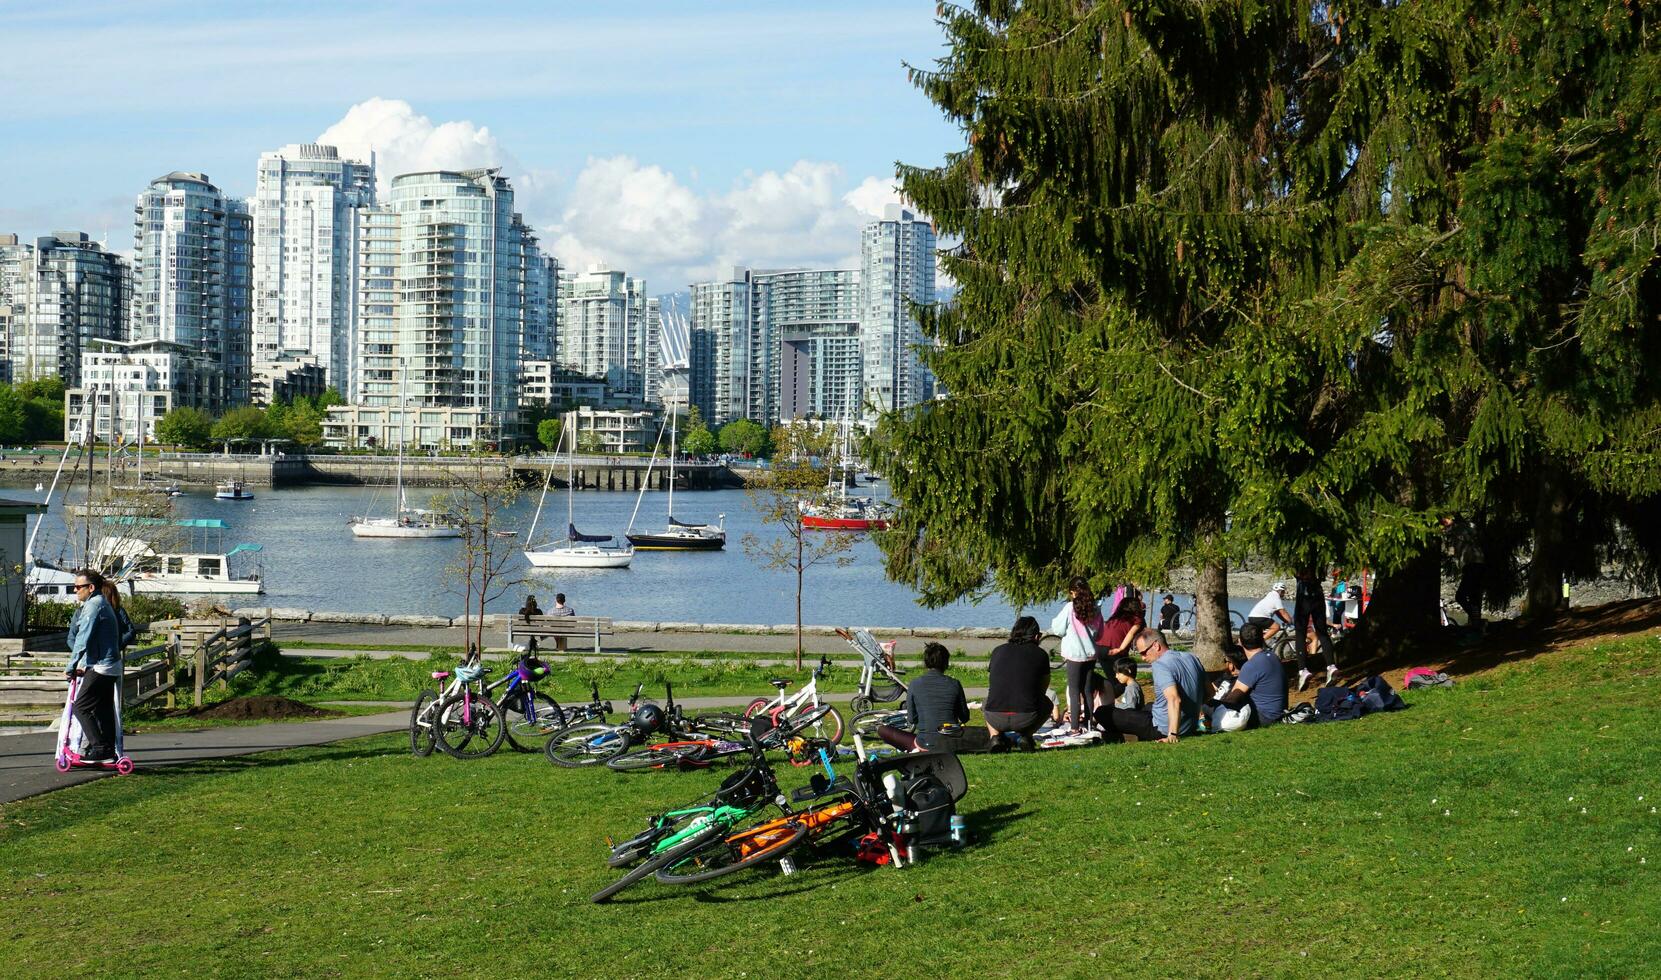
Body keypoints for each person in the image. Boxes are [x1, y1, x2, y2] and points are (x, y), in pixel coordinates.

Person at [1093, 628, 1204, 744]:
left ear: (1156, 645)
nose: (1142, 658)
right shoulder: (1192, 658)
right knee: (1149, 706)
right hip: (1189, 726)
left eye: (1144, 653)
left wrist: (1172, 734)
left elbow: (1174, 699)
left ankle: (1124, 736)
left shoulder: (1160, 664)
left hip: (1162, 728)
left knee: (1103, 712)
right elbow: (1209, 692)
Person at [63, 569, 123, 763]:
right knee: (102, 709)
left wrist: (71, 666)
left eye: (78, 587)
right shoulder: (102, 604)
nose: (75, 590)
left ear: (90, 587)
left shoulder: (93, 606)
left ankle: (99, 748)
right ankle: (108, 751)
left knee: (80, 707)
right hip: (109, 665)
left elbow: (82, 639)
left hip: (102, 666)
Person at [878, 642, 970, 752]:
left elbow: (912, 719)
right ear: (946, 663)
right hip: (951, 741)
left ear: (925, 663)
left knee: (882, 729)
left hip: (925, 742)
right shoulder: (955, 684)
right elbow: (964, 717)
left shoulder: (915, 684)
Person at [982, 617, 1053, 752]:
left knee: (986, 701)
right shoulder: (1041, 654)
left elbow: (992, 683)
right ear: (1037, 636)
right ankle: (1026, 736)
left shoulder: (998, 651)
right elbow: (1043, 688)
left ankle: (995, 737)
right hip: (1026, 717)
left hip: (994, 716)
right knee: (1047, 703)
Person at [1049, 576, 1105, 734]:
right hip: (1090, 655)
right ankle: (1089, 723)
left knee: (1074, 691)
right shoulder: (1096, 608)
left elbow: (1058, 629)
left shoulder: (1069, 608)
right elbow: (1100, 633)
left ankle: (1074, 727)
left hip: (1074, 655)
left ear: (1073, 592)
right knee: (1087, 690)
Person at [1209, 622, 1287, 729]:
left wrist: (1212, 705)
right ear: (1262, 638)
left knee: (1209, 705)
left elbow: (1232, 698)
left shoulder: (1251, 665)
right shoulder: (1273, 657)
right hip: (1279, 713)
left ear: (1240, 642)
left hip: (1264, 717)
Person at [1291, 567, 1339, 691]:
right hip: (1318, 594)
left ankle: (1302, 670)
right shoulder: (1319, 562)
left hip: (1304, 595)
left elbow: (1297, 572)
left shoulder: (1301, 564)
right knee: (1322, 632)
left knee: (1300, 633)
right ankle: (1331, 666)